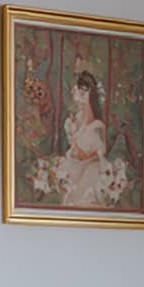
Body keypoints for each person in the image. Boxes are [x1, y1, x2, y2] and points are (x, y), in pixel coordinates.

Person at [55, 70, 108, 206]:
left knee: (79, 195)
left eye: (84, 91)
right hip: (78, 161)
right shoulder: (77, 117)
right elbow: (75, 148)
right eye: (80, 90)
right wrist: (73, 134)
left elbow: (89, 152)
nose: (80, 94)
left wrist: (75, 137)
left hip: (89, 165)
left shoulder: (95, 124)